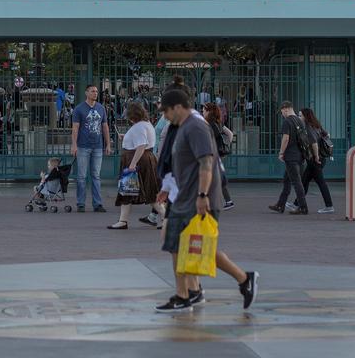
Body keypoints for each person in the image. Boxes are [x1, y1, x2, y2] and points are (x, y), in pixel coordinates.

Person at [154, 87, 257, 314]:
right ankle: (204, 288)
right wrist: (167, 187)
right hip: (184, 195)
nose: (164, 115)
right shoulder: (181, 126)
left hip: (197, 198)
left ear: (178, 107)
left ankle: (186, 294)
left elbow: (206, 163)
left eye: (166, 111)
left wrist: (202, 195)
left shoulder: (196, 127)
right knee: (185, 246)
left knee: (184, 246)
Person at [108, 103, 160, 230]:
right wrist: (126, 137)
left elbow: (141, 145)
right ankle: (123, 220)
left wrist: (132, 164)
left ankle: (166, 218)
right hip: (146, 159)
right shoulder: (146, 125)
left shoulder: (138, 127)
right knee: (147, 191)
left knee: (130, 190)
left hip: (136, 160)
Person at [71, 85, 111, 213]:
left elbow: (105, 127)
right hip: (83, 146)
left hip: (98, 146)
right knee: (81, 176)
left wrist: (108, 144)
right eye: (92, 91)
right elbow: (75, 128)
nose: (95, 93)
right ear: (86, 93)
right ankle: (80, 203)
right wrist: (74, 144)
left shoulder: (101, 108)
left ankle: (97, 204)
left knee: (96, 176)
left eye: (96, 91)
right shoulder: (79, 109)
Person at [269, 102, 310, 215]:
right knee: (287, 180)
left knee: (297, 182)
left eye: (282, 112)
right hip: (300, 155)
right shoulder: (299, 121)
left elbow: (285, 138)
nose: (282, 114)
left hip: (290, 156)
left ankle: (303, 207)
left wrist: (281, 153)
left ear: (285, 109)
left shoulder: (287, 121)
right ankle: (280, 205)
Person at [299, 107, 335, 214]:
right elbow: (327, 135)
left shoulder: (308, 127)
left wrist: (316, 157)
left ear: (305, 117)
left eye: (300, 115)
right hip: (318, 159)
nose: (299, 117)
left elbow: (314, 143)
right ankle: (296, 203)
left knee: (321, 182)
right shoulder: (317, 126)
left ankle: (329, 206)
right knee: (304, 180)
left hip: (316, 160)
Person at [203, 102, 235, 210]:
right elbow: (230, 134)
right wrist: (226, 146)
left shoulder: (209, 125)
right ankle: (227, 200)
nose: (202, 112)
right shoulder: (219, 123)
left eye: (204, 110)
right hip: (217, 154)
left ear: (209, 111)